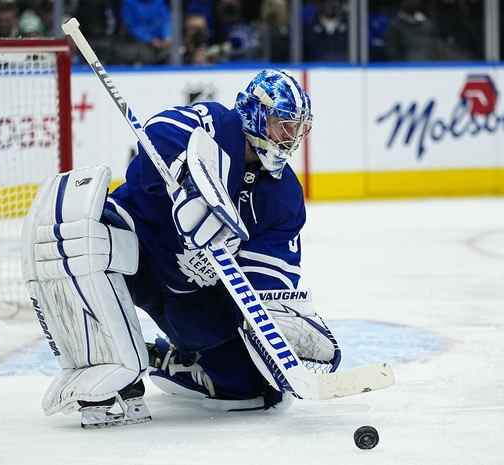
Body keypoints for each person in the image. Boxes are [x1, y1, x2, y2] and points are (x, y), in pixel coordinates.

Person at [22, 69, 341, 428]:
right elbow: (157, 136)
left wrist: (276, 325)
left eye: (297, 128)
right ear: (254, 113)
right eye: (282, 125)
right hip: (135, 247)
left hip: (191, 292)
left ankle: (171, 359)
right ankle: (102, 368)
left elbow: (265, 281)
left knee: (251, 390)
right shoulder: (216, 124)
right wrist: (193, 185)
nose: (290, 137)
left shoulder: (283, 198)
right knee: (79, 235)